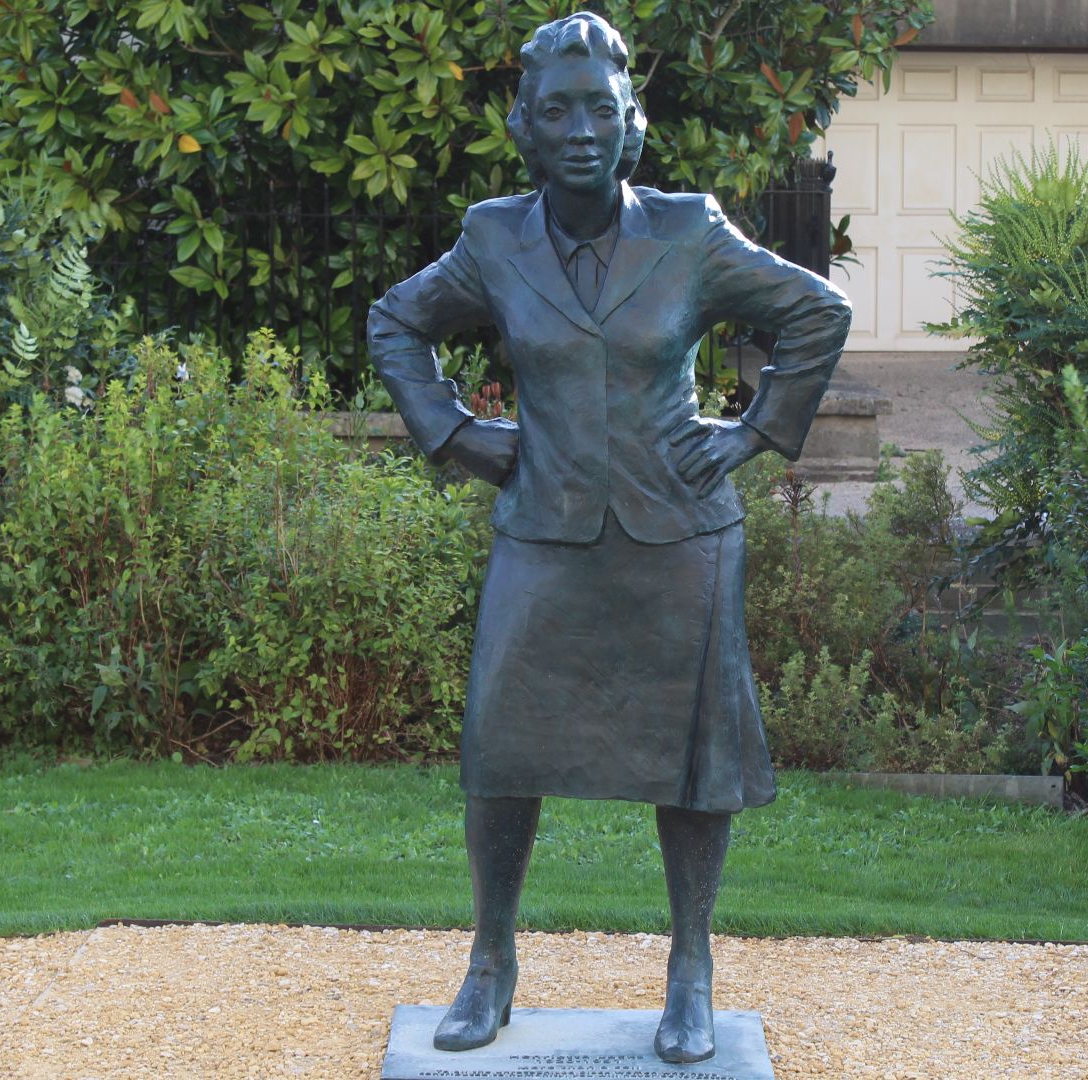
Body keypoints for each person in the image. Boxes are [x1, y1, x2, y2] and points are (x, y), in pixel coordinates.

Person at [365, 11, 850, 1065]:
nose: (580, 129)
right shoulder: (494, 239)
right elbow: (396, 321)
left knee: (692, 763)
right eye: (556, 111)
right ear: (524, 130)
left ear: (632, 122)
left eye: (600, 107)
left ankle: (691, 965)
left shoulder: (689, 232)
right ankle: (490, 961)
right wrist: (452, 434)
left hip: (680, 532)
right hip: (543, 528)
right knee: (500, 746)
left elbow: (816, 312)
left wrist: (758, 431)